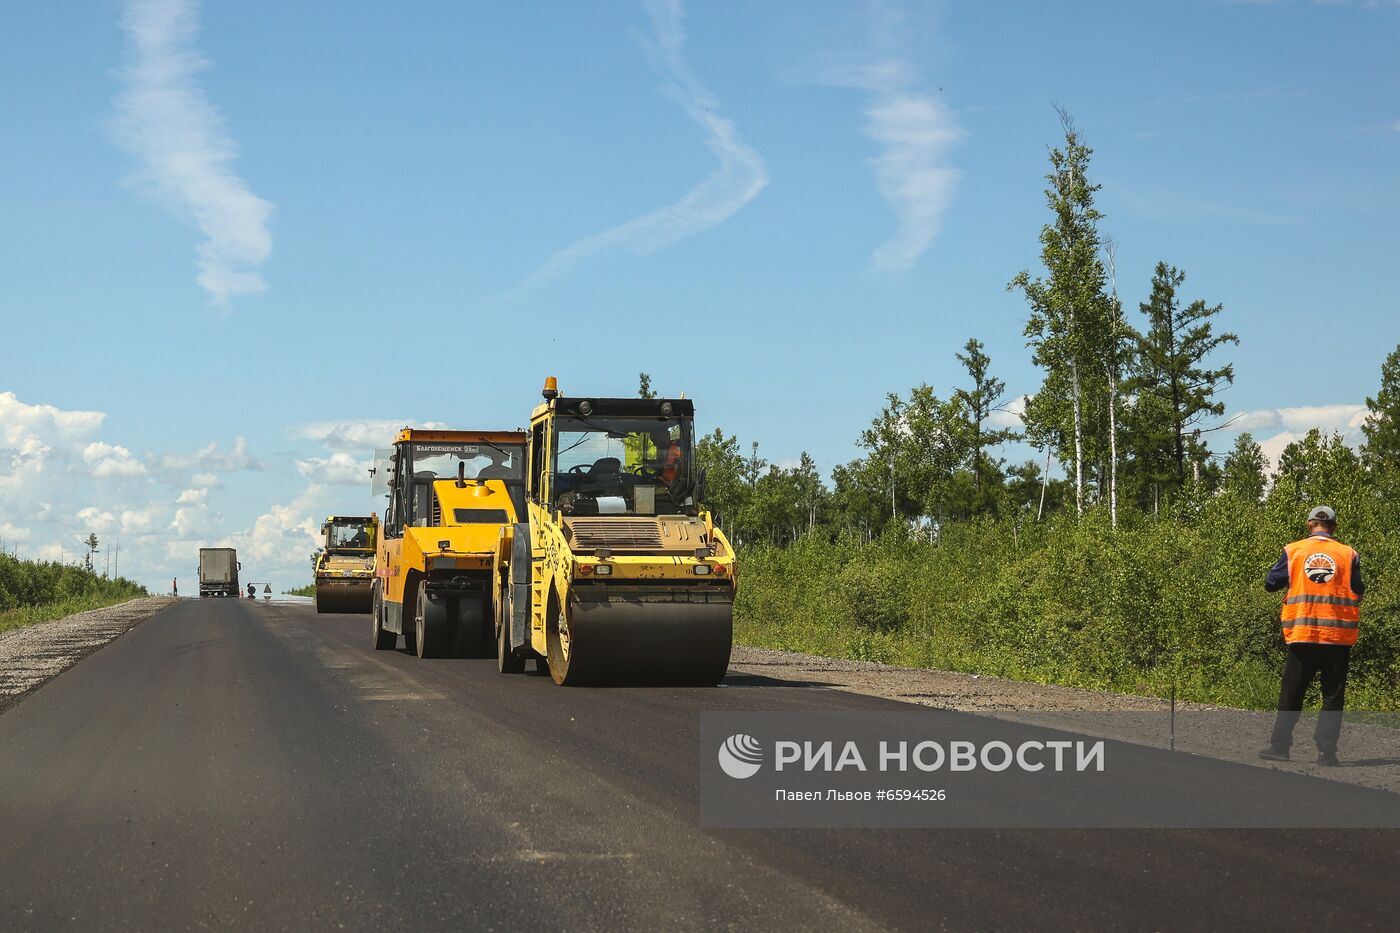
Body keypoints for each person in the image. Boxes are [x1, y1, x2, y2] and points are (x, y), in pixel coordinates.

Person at [1259, 505, 1364, 766]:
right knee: (1332, 695)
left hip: (1303, 632)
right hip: (1336, 636)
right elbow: (1358, 589)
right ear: (1334, 527)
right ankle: (1327, 754)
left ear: (1309, 524)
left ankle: (1280, 747)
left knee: (1293, 693)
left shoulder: (1293, 550)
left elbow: (1271, 583)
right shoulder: (1347, 554)